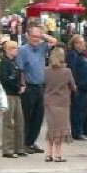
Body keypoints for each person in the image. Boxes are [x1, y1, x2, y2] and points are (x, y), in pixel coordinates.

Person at [16, 24, 58, 154]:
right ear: (27, 36)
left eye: (37, 37)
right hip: (29, 87)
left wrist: (42, 34)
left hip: (40, 86)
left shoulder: (41, 47)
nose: (36, 39)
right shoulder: (23, 49)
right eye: (33, 36)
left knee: (38, 116)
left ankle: (31, 142)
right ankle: (24, 143)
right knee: (27, 116)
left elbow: (54, 41)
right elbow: (20, 69)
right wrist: (22, 85)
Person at [43, 47, 76, 162]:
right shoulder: (67, 71)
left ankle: (48, 153)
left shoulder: (46, 70)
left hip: (49, 101)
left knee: (51, 127)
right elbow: (73, 87)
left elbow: (44, 84)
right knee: (60, 129)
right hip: (62, 102)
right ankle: (58, 154)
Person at [0, 41, 26, 158]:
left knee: (20, 121)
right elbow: (4, 79)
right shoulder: (4, 63)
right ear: (9, 50)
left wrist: (21, 85)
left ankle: (19, 147)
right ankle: (8, 149)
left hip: (17, 95)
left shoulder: (14, 63)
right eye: (15, 49)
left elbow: (18, 76)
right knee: (9, 122)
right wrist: (17, 87)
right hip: (9, 94)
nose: (17, 51)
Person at [67, 34, 87, 140]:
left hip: (86, 88)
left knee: (83, 111)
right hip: (79, 88)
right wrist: (74, 85)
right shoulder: (73, 55)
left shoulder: (82, 55)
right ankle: (77, 132)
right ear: (75, 44)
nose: (83, 45)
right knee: (77, 111)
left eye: (84, 43)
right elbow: (71, 70)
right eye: (81, 43)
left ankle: (82, 131)